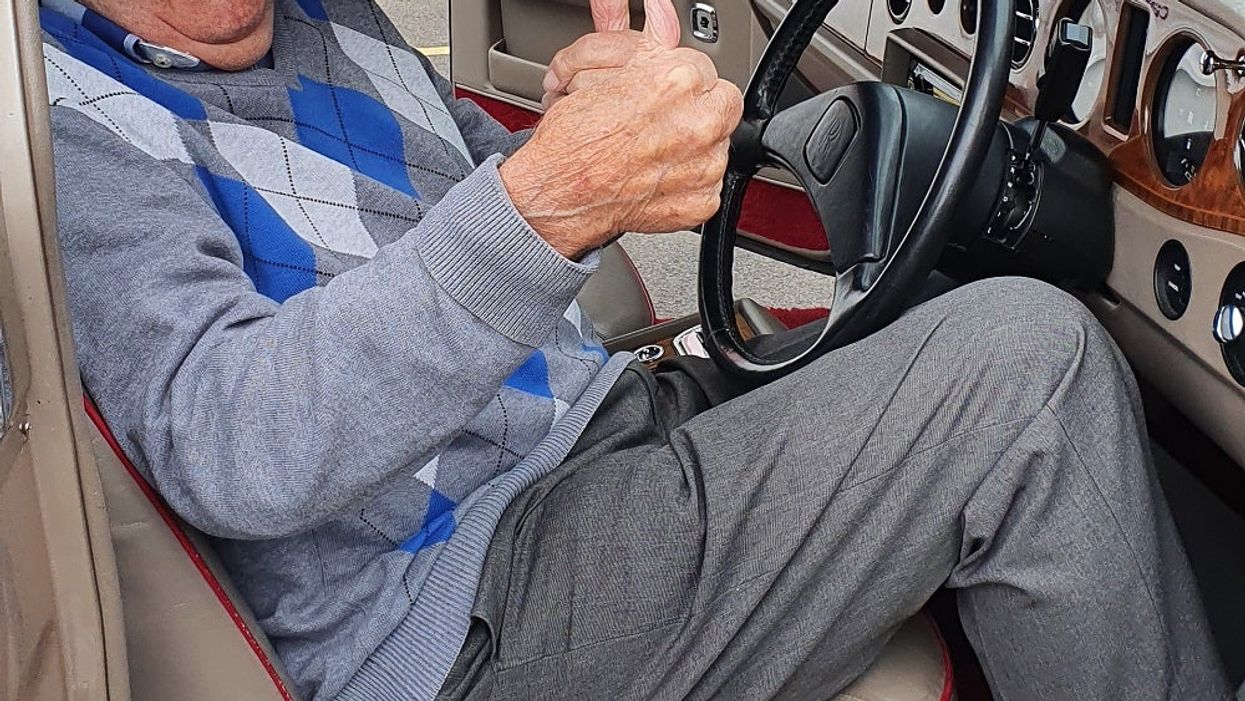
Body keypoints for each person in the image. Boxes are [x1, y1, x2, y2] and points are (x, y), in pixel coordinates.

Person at [40, 0, 1233, 698]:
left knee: (947, 314)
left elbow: (478, 183)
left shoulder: (324, 21)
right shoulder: (55, 131)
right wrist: (554, 197)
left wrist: (595, 127)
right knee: (1031, 368)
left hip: (591, 430)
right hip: (461, 602)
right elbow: (235, 440)